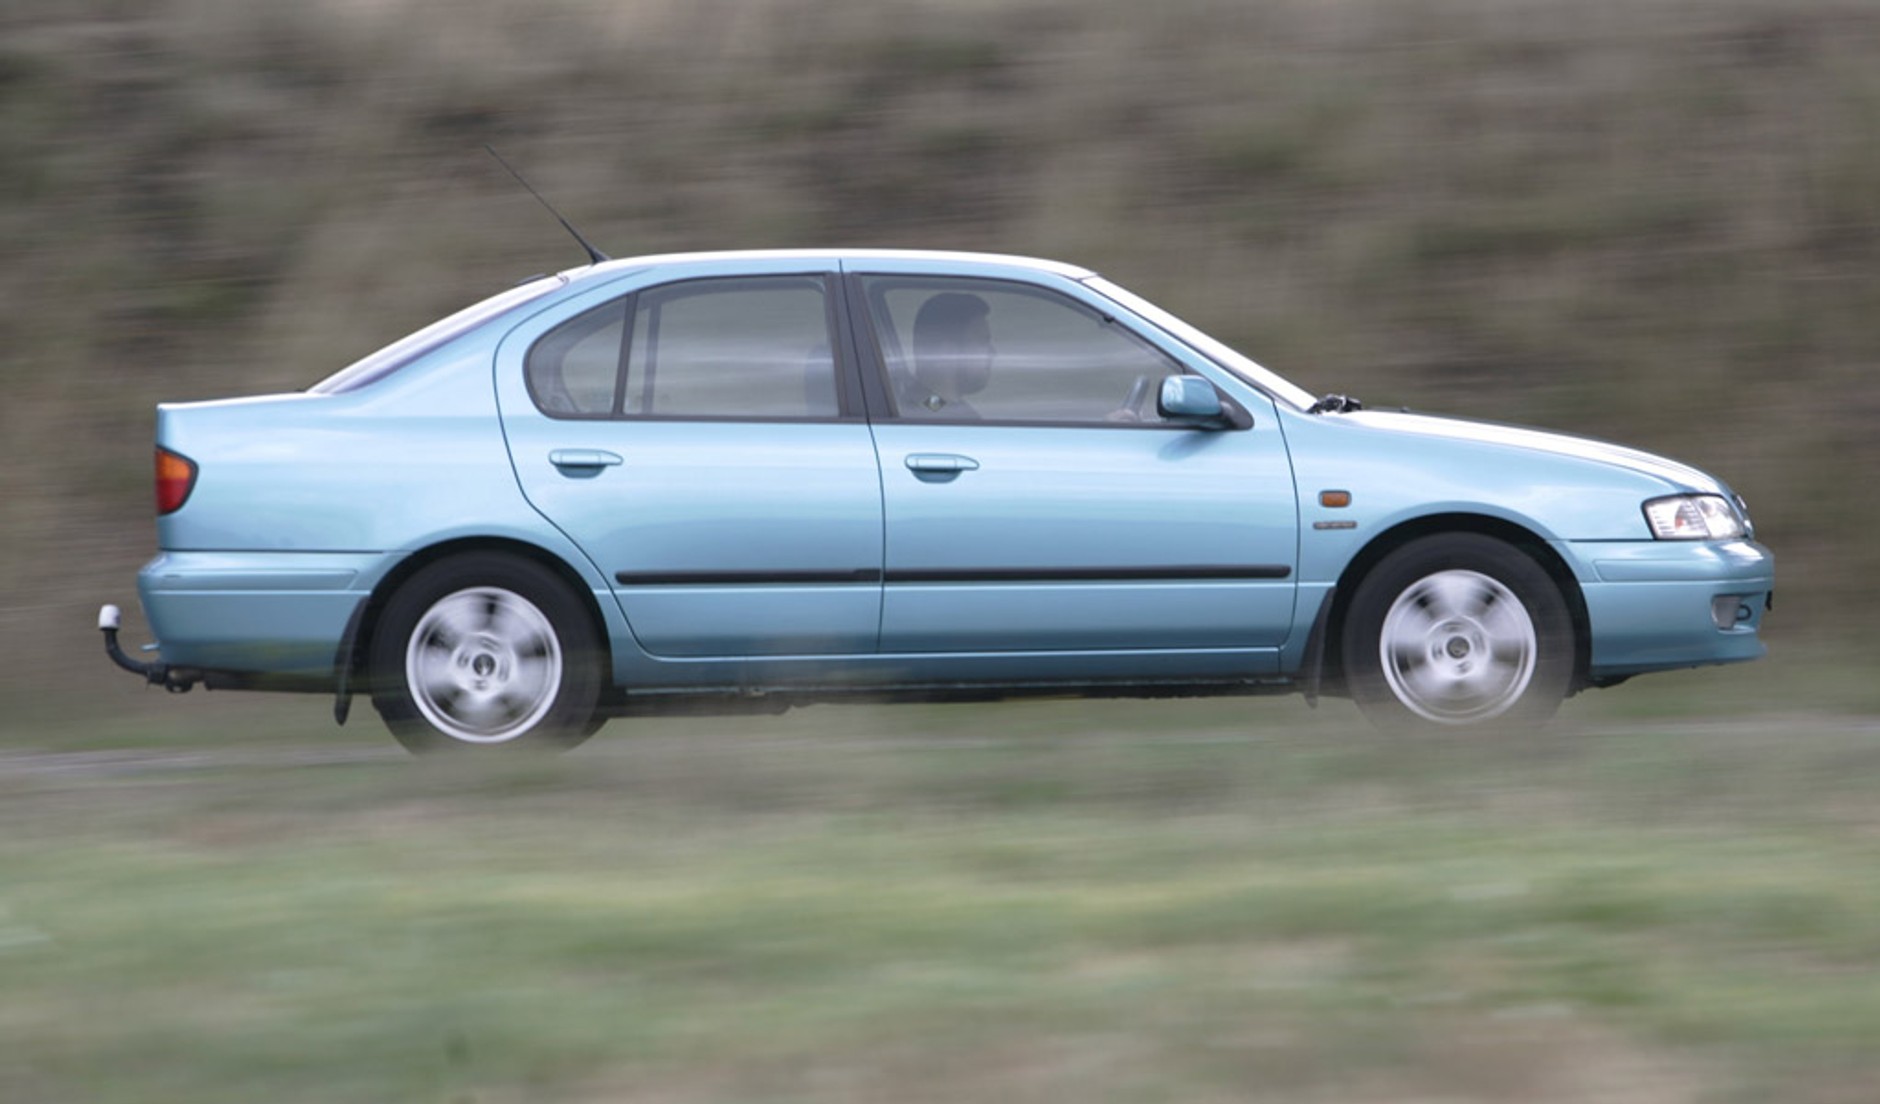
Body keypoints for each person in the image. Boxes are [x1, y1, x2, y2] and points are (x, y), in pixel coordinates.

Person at [907, 292, 994, 417]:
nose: (992, 352)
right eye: (982, 342)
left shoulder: (941, 410)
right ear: (946, 353)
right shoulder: (926, 418)